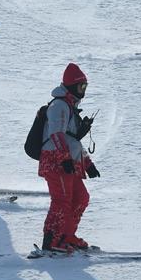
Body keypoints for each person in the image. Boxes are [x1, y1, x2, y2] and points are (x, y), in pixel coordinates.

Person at [38, 63, 100, 254]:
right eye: (81, 87)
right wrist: (64, 159)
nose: (83, 91)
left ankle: (66, 236)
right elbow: (57, 135)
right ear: (72, 86)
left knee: (81, 198)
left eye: (85, 87)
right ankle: (52, 241)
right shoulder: (59, 106)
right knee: (62, 200)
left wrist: (88, 164)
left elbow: (72, 140)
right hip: (55, 161)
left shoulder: (70, 106)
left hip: (67, 162)